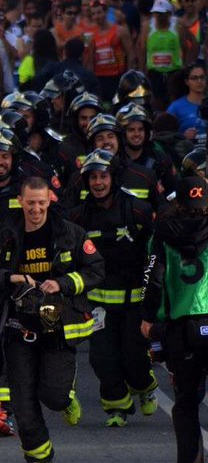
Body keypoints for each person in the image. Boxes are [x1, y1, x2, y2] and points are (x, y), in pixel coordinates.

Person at [0, 176, 104, 463]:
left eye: (41, 203)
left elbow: (96, 269)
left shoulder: (70, 234)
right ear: (20, 201)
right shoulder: (7, 235)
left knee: (53, 396)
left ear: (50, 201)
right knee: (21, 396)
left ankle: (65, 397)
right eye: (30, 203)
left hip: (56, 324)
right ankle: (37, 454)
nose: (36, 209)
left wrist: (61, 284)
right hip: (18, 326)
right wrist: (11, 278)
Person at [69, 150, 156, 427]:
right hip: (98, 304)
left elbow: (155, 253)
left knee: (134, 357)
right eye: (92, 177)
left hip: (134, 301)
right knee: (102, 359)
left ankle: (144, 386)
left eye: (103, 176)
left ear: (114, 178)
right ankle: (117, 407)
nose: (98, 182)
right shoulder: (79, 218)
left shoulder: (138, 210)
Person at [142, 174, 208, 463]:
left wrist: (146, 319)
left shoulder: (163, 233)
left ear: (177, 201)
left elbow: (153, 280)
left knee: (185, 405)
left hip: (183, 330)